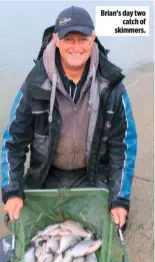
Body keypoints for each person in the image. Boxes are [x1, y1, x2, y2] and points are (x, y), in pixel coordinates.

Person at [1, 6, 137, 228]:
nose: (76, 47)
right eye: (68, 39)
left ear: (93, 38)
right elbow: (12, 144)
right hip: (45, 174)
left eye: (82, 39)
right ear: (56, 39)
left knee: (114, 224)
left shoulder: (112, 86)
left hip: (93, 174)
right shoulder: (34, 84)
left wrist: (119, 199)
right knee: (20, 223)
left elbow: (123, 145)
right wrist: (13, 190)